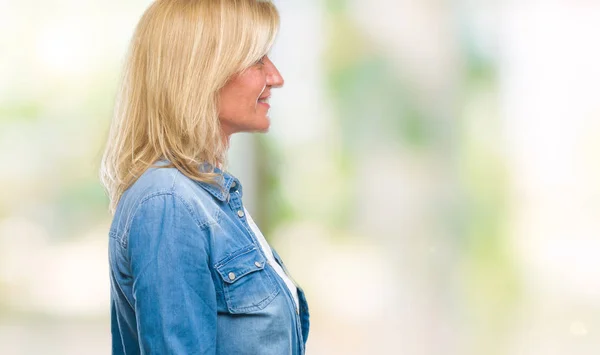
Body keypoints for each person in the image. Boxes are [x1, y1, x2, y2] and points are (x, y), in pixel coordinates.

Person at [99, 0, 309, 354]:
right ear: (204, 71)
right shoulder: (169, 202)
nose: (276, 77)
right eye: (258, 60)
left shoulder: (208, 198)